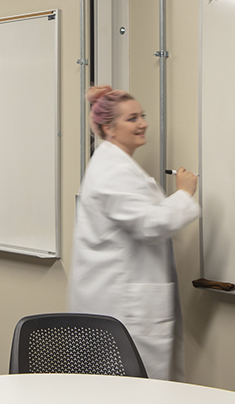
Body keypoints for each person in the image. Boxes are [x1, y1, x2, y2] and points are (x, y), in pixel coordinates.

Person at [67, 86, 200, 381]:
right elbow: (149, 224)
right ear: (108, 128)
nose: (143, 124)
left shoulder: (116, 164)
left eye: (142, 116)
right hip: (122, 306)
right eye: (132, 119)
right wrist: (183, 194)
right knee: (132, 394)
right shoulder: (112, 171)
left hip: (123, 299)